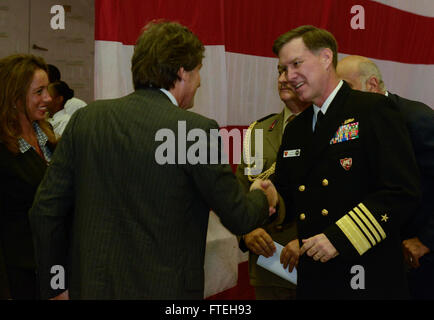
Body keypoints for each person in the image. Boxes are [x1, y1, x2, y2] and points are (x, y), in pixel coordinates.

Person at [28, 20, 278, 300]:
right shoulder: (194, 131)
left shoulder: (86, 119)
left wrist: (56, 284)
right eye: (198, 72)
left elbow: (46, 210)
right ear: (182, 72)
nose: (200, 82)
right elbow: (239, 216)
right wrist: (262, 197)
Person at [273, 25, 421, 299]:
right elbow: (290, 197)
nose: (288, 76)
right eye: (283, 68)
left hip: (366, 273)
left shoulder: (372, 109)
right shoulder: (296, 129)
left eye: (296, 64)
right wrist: (272, 197)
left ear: (326, 58)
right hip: (315, 278)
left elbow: (402, 191)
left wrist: (340, 237)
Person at [337, 55, 434, 299]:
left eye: (345, 88)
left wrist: (426, 239)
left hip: (419, 260)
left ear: (371, 85)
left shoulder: (417, 119)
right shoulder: (348, 125)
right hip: (375, 255)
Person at [0, 54, 56, 299]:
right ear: (14, 98)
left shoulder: (50, 140)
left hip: (51, 273)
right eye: (39, 92)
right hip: (18, 279)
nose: (48, 98)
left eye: (47, 90)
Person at [236, 67, 310, 299]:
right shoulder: (259, 131)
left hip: (320, 259)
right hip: (271, 264)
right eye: (280, 71)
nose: (282, 79)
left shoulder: (334, 128)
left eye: (292, 71)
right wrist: (247, 231)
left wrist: (309, 241)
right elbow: (241, 191)